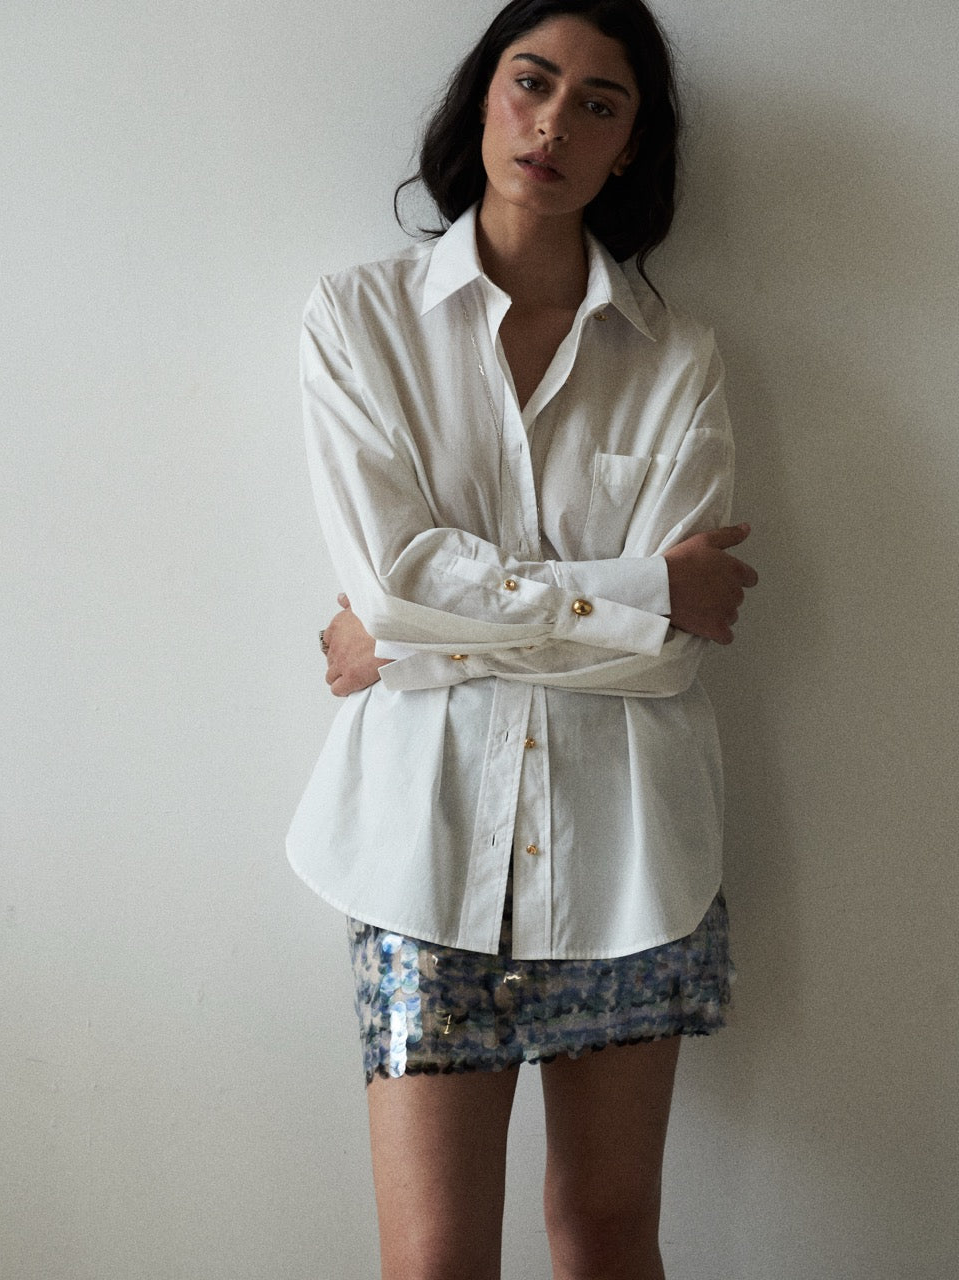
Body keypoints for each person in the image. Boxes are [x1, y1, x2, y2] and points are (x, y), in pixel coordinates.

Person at [287, 2, 758, 1276]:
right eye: (530, 82)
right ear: (480, 98)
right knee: (435, 1254)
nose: (552, 123)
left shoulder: (678, 358)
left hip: (627, 857)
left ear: (627, 147)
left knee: (607, 1235)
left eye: (597, 103)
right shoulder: (359, 320)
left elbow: (667, 649)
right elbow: (389, 584)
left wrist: (425, 633)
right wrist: (625, 584)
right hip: (421, 857)